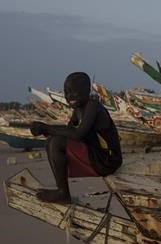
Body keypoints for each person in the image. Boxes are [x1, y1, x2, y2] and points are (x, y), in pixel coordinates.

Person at [29, 72, 123, 203]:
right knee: (50, 141)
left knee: (56, 143)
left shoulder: (93, 106)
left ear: (87, 91)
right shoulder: (78, 109)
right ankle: (61, 190)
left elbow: (78, 134)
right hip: (96, 155)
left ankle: (63, 194)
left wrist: (48, 128)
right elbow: (69, 131)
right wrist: (46, 130)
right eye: (67, 92)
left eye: (74, 91)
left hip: (108, 160)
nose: (69, 96)